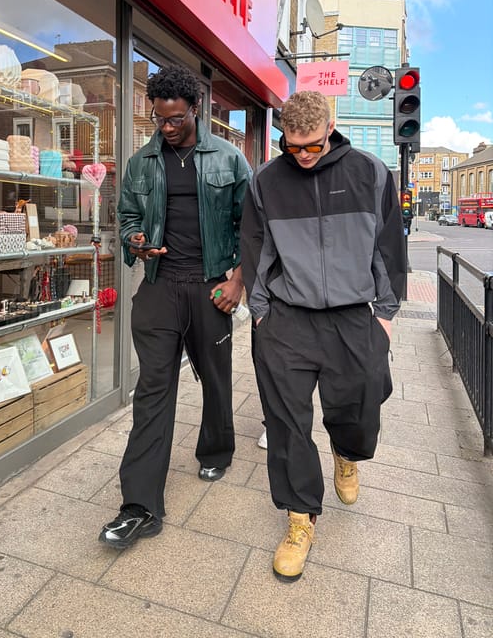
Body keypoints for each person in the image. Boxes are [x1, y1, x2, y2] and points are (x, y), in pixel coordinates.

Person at [241, 90, 405, 583]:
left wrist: (386, 313)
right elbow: (253, 244)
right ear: (283, 138)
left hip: (355, 317)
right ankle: (299, 518)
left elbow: (390, 244)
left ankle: (347, 453)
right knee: (287, 423)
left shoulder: (371, 172)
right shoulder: (266, 181)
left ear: (330, 128)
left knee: (362, 403)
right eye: (294, 147)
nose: (305, 156)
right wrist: (261, 311)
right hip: (286, 320)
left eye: (313, 145)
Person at [99, 64, 251, 549]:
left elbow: (254, 226)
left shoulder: (229, 159)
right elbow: (124, 216)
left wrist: (239, 282)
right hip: (160, 287)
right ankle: (139, 506)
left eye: (175, 119)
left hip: (211, 287)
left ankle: (216, 448)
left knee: (215, 376)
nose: (166, 128)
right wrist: (135, 240)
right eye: (159, 119)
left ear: (196, 110)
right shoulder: (141, 162)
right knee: (152, 390)